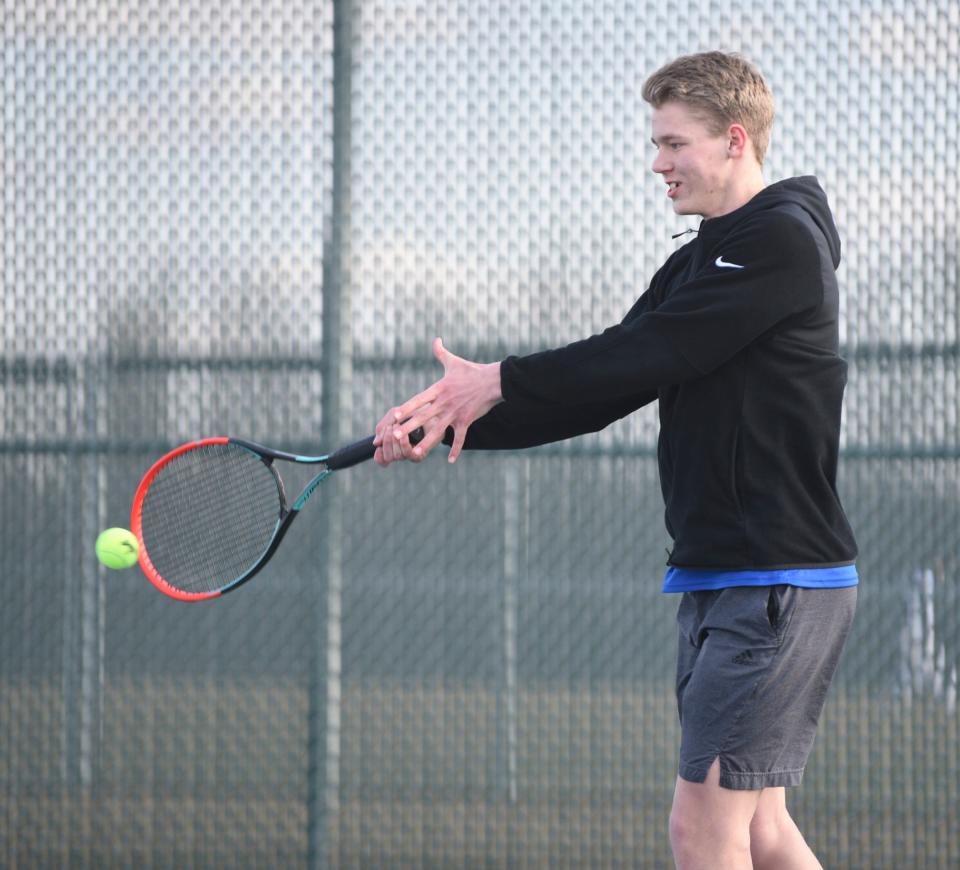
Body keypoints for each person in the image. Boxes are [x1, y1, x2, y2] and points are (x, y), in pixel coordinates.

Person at [373, 51, 858, 870]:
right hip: (727, 576)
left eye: (675, 145)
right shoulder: (699, 259)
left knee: (703, 827)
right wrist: (456, 423)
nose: (659, 164)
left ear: (734, 141)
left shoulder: (778, 242)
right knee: (761, 829)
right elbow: (603, 389)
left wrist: (495, 378)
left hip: (775, 581)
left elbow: (646, 351)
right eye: (658, 144)